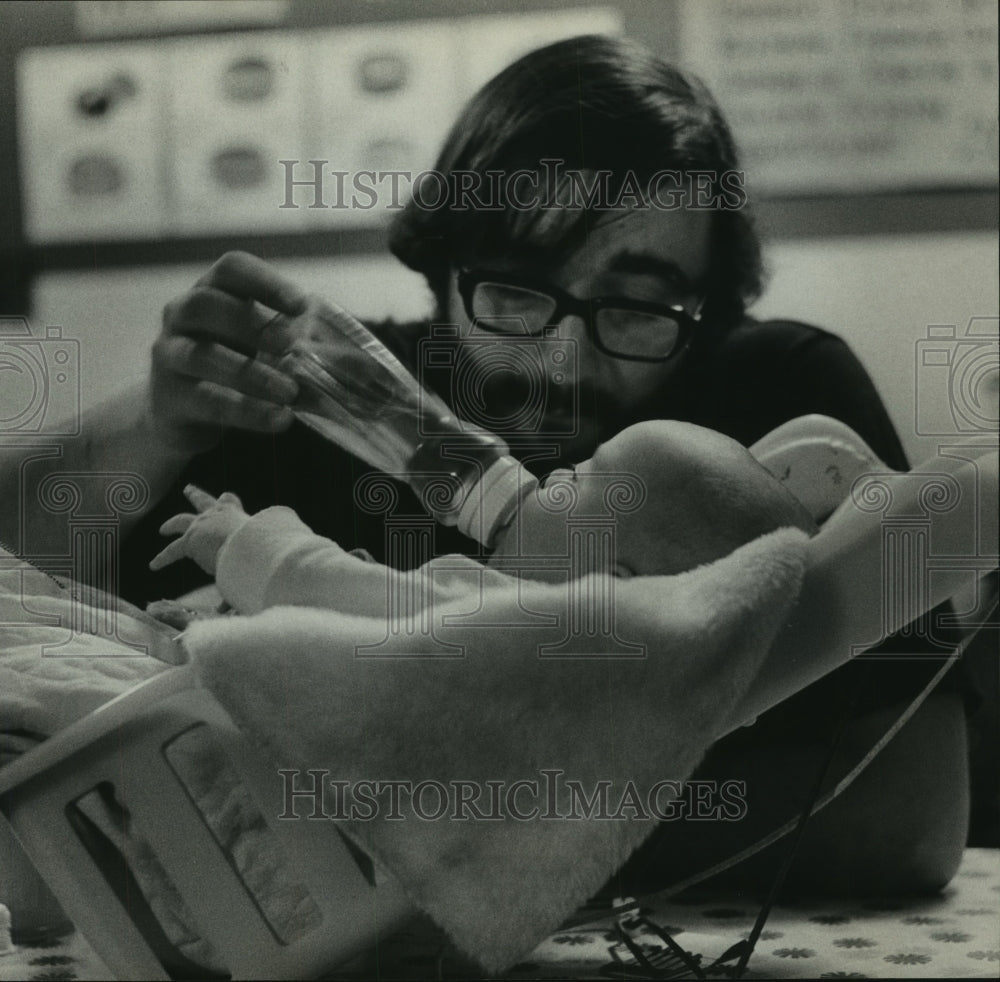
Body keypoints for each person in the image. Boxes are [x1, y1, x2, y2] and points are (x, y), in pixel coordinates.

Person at [0, 35, 968, 895]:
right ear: (441, 267)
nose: (561, 365)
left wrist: (422, 831)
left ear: (711, 307)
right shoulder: (315, 408)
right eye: (513, 294)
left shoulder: (770, 411)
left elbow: (910, 820)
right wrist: (155, 422)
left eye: (638, 308)